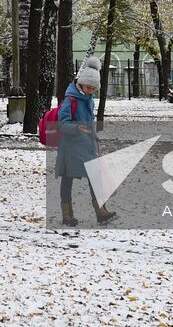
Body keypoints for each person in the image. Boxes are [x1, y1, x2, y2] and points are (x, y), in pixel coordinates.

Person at [55, 56, 117, 227]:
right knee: (67, 180)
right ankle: (67, 215)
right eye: (89, 87)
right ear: (81, 83)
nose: (91, 91)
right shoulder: (70, 100)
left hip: (86, 145)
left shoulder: (88, 100)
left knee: (95, 176)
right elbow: (62, 123)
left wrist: (93, 136)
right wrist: (76, 128)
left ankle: (101, 211)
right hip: (70, 147)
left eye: (93, 88)